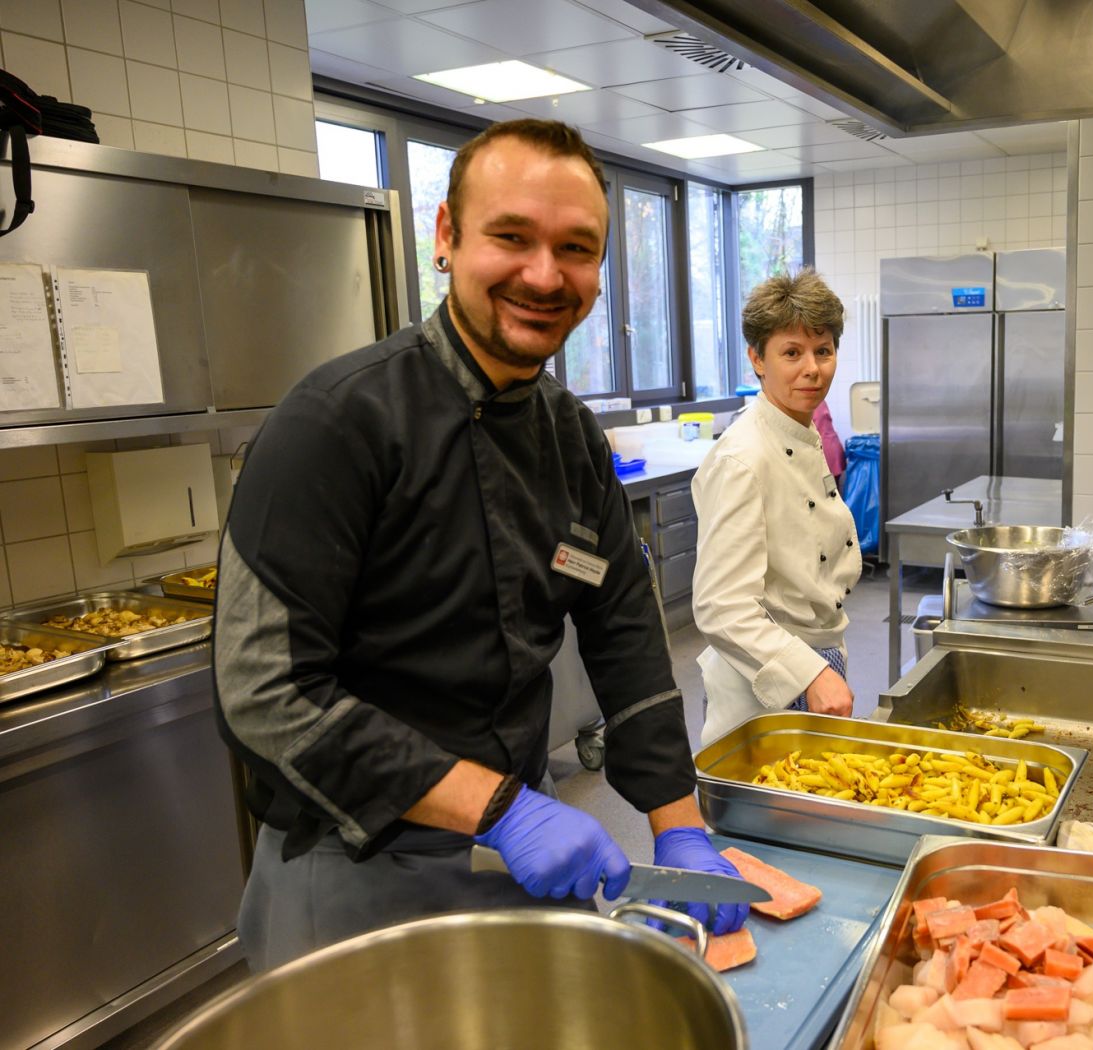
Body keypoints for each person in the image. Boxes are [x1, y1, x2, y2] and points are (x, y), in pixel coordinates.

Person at [214, 118, 745, 972]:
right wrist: (499, 810)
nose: (544, 275)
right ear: (446, 240)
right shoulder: (336, 422)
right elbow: (264, 693)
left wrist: (678, 829)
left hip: (510, 858)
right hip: (350, 864)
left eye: (576, 248)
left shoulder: (571, 438)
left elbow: (626, 637)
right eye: (511, 237)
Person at [691, 270, 864, 745]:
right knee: (766, 815)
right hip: (765, 679)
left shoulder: (800, 432)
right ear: (757, 360)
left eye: (823, 351)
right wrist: (810, 674)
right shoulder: (742, 458)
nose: (812, 368)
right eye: (792, 352)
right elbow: (721, 606)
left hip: (817, 654)